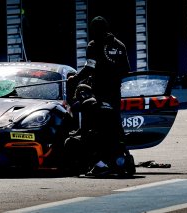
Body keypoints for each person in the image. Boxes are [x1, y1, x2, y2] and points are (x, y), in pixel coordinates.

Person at [66, 16, 132, 176]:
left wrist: (75, 79)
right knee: (115, 130)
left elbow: (90, 67)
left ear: (95, 30)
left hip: (99, 95)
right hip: (115, 95)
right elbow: (126, 71)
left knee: (93, 130)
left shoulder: (94, 45)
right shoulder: (120, 45)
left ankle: (100, 164)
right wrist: (111, 74)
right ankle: (120, 160)